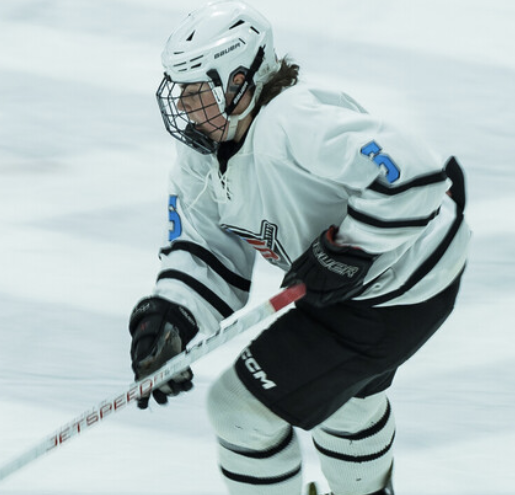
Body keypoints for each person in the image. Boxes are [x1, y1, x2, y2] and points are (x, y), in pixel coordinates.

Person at [127, 1, 470, 495]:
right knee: (345, 406)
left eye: (196, 91)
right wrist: (171, 317)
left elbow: (414, 173)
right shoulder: (202, 154)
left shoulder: (293, 120)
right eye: (179, 90)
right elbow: (206, 248)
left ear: (239, 83)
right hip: (370, 289)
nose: (183, 106)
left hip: (398, 286)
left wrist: (350, 248)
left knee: (238, 410)